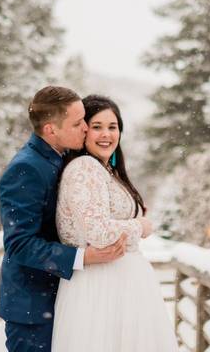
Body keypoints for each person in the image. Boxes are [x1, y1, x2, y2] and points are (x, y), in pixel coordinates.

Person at [0, 85, 128, 352]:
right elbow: (19, 244)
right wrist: (83, 256)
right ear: (51, 130)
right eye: (78, 123)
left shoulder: (65, 156)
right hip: (33, 308)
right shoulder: (26, 168)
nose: (86, 128)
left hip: (68, 299)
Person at [51, 94, 179, 351]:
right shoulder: (85, 167)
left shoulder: (106, 170)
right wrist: (141, 226)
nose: (106, 134)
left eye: (113, 127)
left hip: (121, 285)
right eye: (97, 127)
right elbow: (98, 232)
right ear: (83, 130)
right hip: (100, 288)